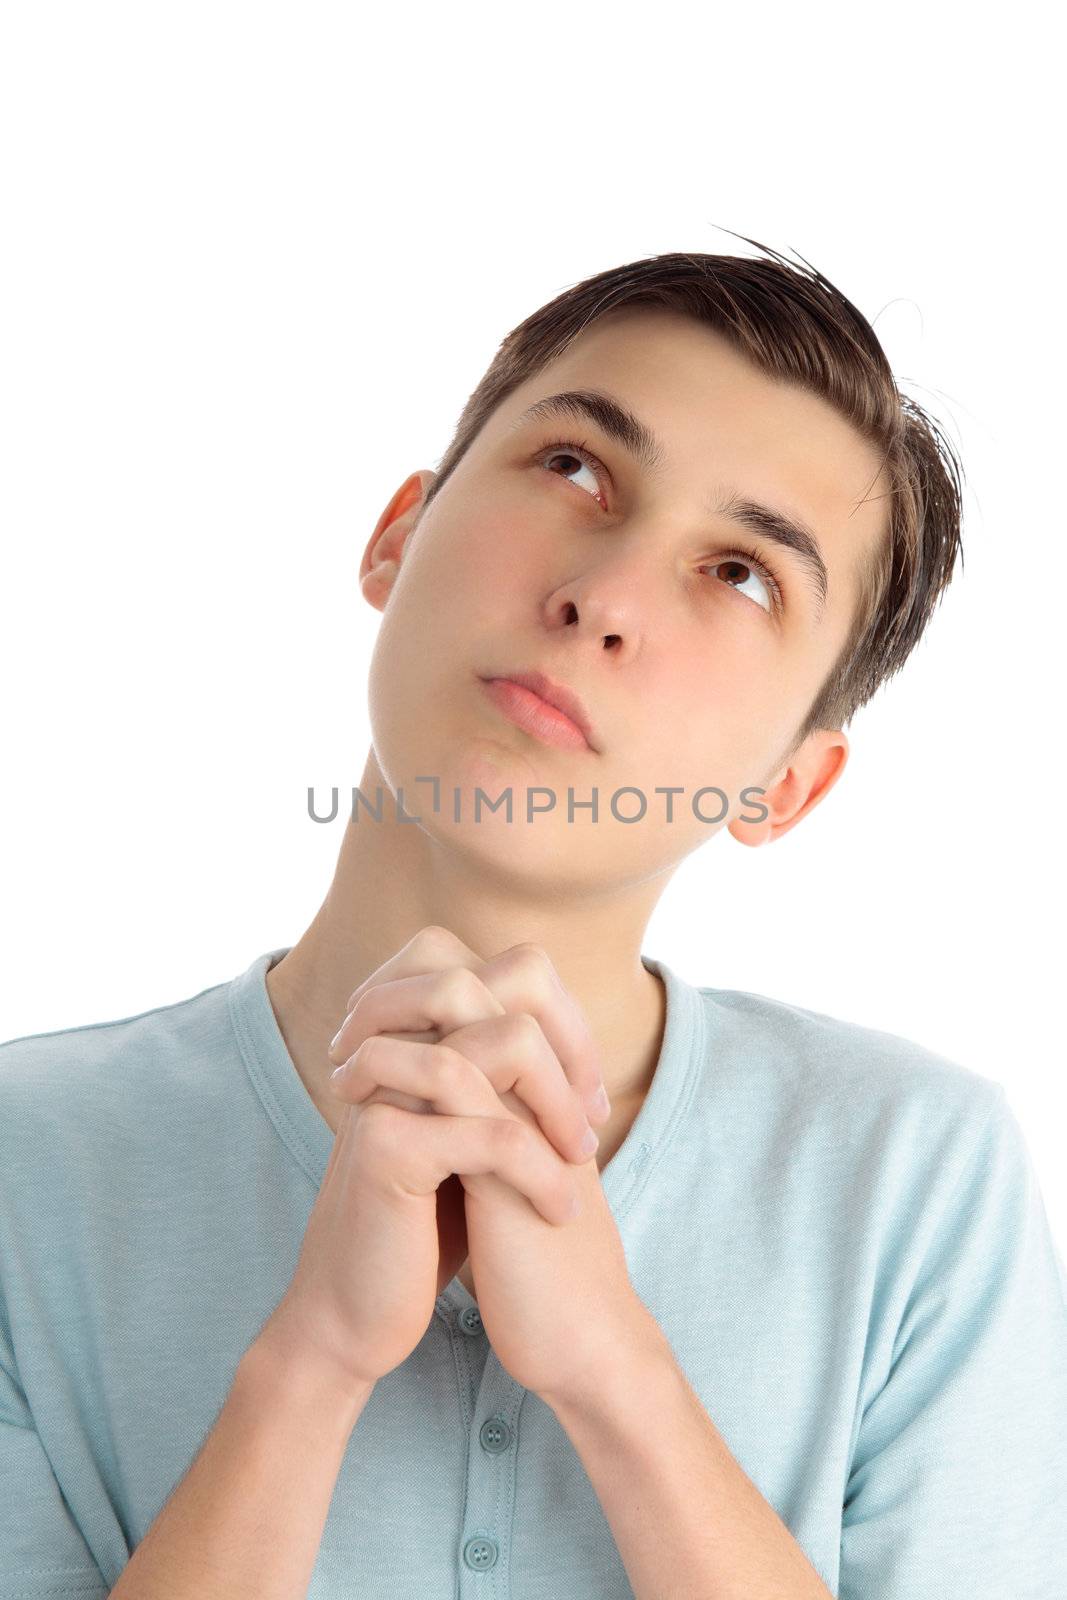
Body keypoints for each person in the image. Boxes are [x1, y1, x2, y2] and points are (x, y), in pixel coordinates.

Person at [2, 240, 1065, 1600]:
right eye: (576, 469)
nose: (604, 598)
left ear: (788, 786)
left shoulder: (919, 1180)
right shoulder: (23, 1163)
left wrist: (619, 1376)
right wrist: (311, 1363)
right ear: (398, 532)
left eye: (741, 573)